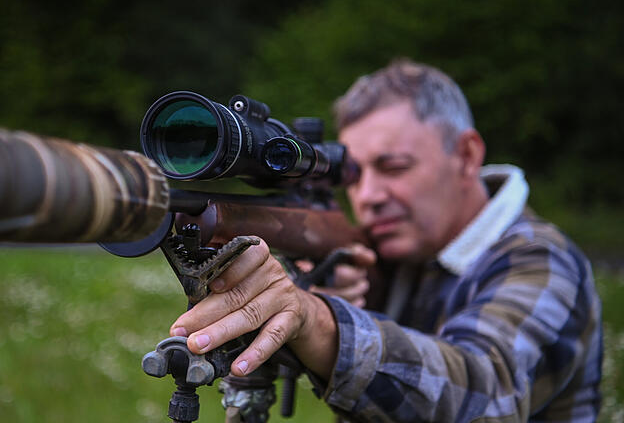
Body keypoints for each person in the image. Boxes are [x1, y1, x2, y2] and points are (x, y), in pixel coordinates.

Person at [168, 59, 602, 422]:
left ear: (466, 156)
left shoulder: (543, 260)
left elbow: (484, 392)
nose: (369, 196)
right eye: (354, 176)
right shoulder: (399, 249)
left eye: (394, 167)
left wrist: (323, 321)